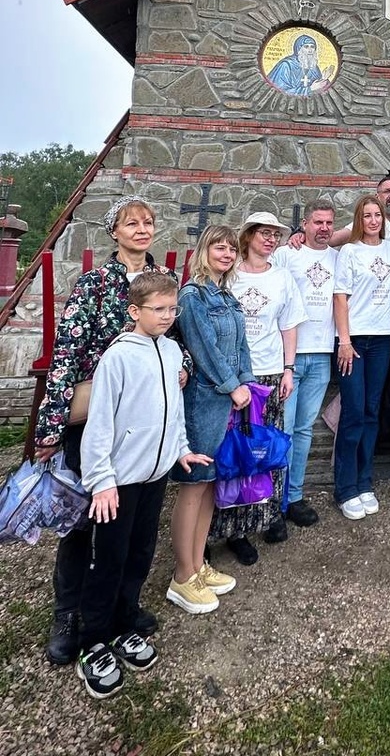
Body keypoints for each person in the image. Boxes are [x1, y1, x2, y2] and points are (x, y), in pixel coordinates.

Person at [34, 195, 178, 666]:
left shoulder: (162, 282)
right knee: (83, 519)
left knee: (131, 528)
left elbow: (176, 342)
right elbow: (67, 353)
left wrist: (185, 367)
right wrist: (52, 424)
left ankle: (121, 609)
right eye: (131, 222)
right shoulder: (96, 284)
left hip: (144, 423)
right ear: (114, 231)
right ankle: (69, 614)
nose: (141, 228)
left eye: (148, 221)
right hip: (97, 417)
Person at [75, 272, 212, 698]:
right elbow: (98, 424)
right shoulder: (117, 357)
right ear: (134, 311)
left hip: (153, 478)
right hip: (119, 482)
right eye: (159, 309)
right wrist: (101, 480)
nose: (168, 317)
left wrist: (181, 450)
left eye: (173, 309)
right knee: (108, 560)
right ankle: (92, 641)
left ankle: (124, 622)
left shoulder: (172, 352)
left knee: (140, 553)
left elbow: (173, 413)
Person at [208, 211, 304, 565]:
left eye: (275, 235)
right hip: (233, 377)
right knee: (232, 453)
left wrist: (288, 369)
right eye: (264, 234)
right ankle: (230, 527)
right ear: (247, 237)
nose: (270, 240)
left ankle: (263, 517)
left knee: (264, 450)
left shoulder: (282, 277)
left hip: (269, 372)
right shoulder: (227, 277)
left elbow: (288, 326)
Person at [168, 225, 253, 615]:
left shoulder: (228, 296)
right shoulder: (193, 295)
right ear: (204, 250)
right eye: (219, 246)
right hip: (205, 397)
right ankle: (182, 577)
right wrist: (232, 385)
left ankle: (199, 564)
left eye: (232, 248)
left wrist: (247, 383)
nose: (227, 253)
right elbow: (203, 348)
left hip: (230, 398)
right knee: (193, 484)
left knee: (209, 485)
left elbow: (240, 345)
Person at [333, 195, 390, 520]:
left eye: (377, 215)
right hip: (354, 340)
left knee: (373, 411)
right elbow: (340, 298)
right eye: (367, 215)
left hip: (382, 339)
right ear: (359, 219)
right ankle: (345, 487)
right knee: (354, 412)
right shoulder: (349, 251)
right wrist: (344, 341)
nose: (373, 220)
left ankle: (364, 481)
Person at [272, 199, 337, 527]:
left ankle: (294, 496)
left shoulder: (338, 258)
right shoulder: (286, 254)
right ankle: (275, 500)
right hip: (290, 357)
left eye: (328, 223)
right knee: (282, 429)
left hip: (322, 353)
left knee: (304, 430)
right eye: (317, 222)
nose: (323, 228)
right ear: (305, 225)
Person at [287, 175, 390, 255]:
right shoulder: (365, 222)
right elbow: (331, 239)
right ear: (377, 196)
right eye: (387, 191)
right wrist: (302, 235)